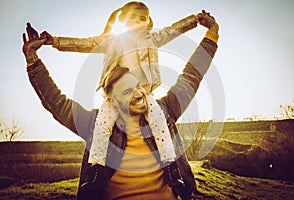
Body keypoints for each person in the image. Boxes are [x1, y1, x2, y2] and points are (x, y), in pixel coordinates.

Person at [22, 9, 219, 200]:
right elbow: (57, 102)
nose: (138, 93)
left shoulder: (164, 112)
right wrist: (34, 57)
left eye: (137, 85)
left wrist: (211, 34)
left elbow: (192, 75)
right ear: (111, 100)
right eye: (127, 91)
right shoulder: (96, 125)